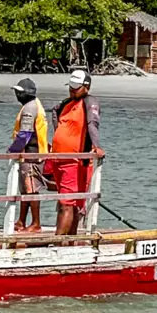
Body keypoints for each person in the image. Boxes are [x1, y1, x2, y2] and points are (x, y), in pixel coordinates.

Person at [45, 70, 103, 236]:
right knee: (67, 203)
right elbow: (54, 111)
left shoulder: (89, 102)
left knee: (67, 204)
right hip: (58, 159)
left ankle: (57, 242)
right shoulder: (66, 103)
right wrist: (60, 134)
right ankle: (69, 241)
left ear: (86, 86)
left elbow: (93, 124)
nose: (72, 90)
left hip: (75, 161)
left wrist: (96, 145)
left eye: (76, 88)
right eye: (70, 87)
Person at [7, 78, 50, 232]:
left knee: (31, 189)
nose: (17, 95)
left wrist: (13, 150)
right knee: (25, 189)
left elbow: (25, 133)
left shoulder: (30, 108)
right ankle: (21, 221)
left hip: (32, 154)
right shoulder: (34, 105)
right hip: (32, 153)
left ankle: (36, 223)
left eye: (19, 92)